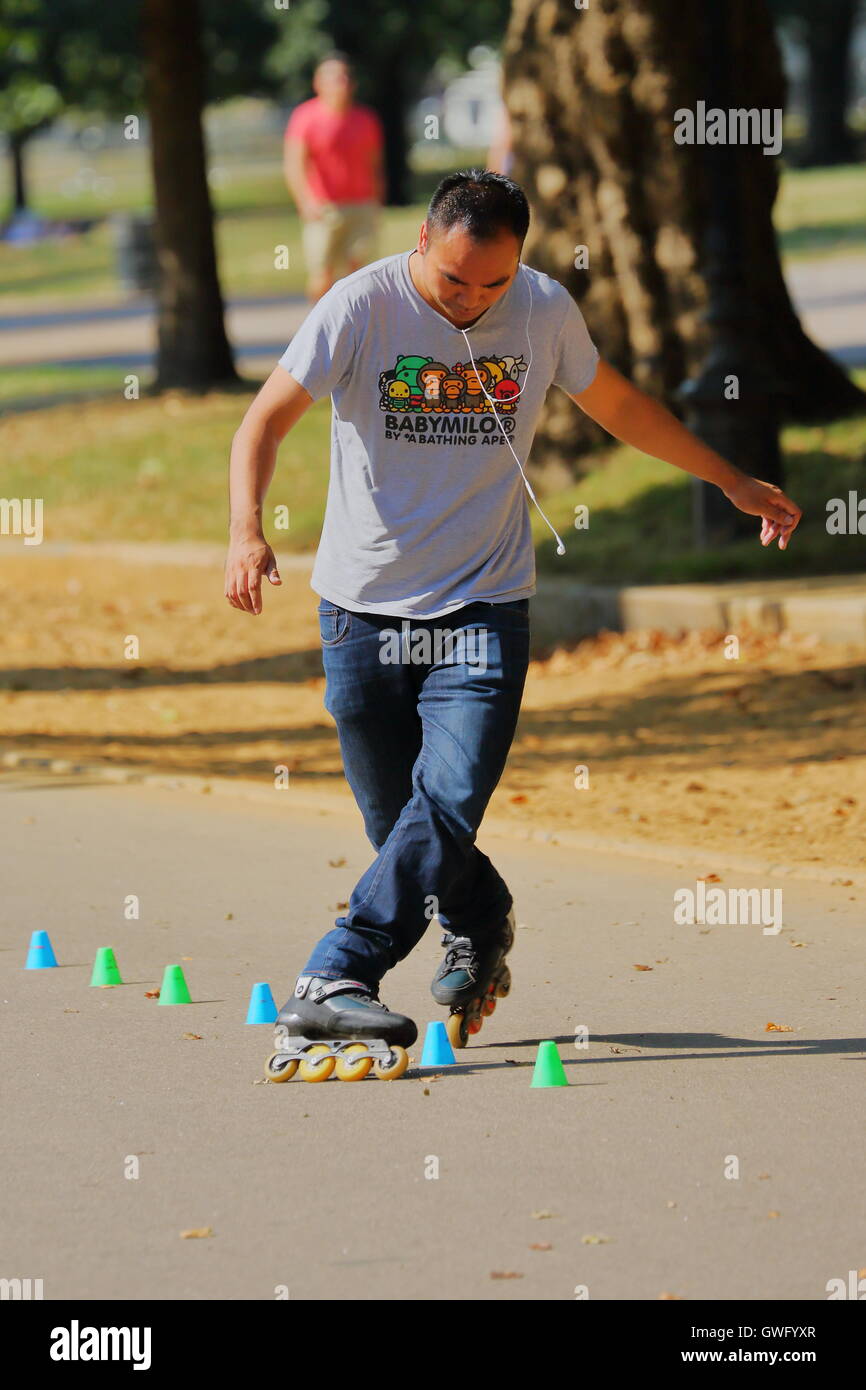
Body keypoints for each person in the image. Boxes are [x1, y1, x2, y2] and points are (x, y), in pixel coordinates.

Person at [225, 169, 801, 1082]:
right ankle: (481, 918)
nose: (474, 301)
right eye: (456, 281)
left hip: (485, 606)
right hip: (361, 609)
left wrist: (727, 477)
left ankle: (338, 969)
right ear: (422, 242)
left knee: (446, 802)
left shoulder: (541, 309)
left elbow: (617, 405)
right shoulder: (359, 305)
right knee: (400, 825)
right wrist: (247, 530)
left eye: (493, 284)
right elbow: (263, 422)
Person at [283, 51, 386, 302]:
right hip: (324, 209)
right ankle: (319, 328)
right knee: (322, 276)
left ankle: (356, 333)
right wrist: (305, 201)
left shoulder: (366, 119)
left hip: (361, 206)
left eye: (345, 77)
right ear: (318, 83)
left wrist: (376, 203)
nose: (342, 83)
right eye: (334, 78)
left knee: (359, 275)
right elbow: (294, 165)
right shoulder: (305, 118)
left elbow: (375, 165)